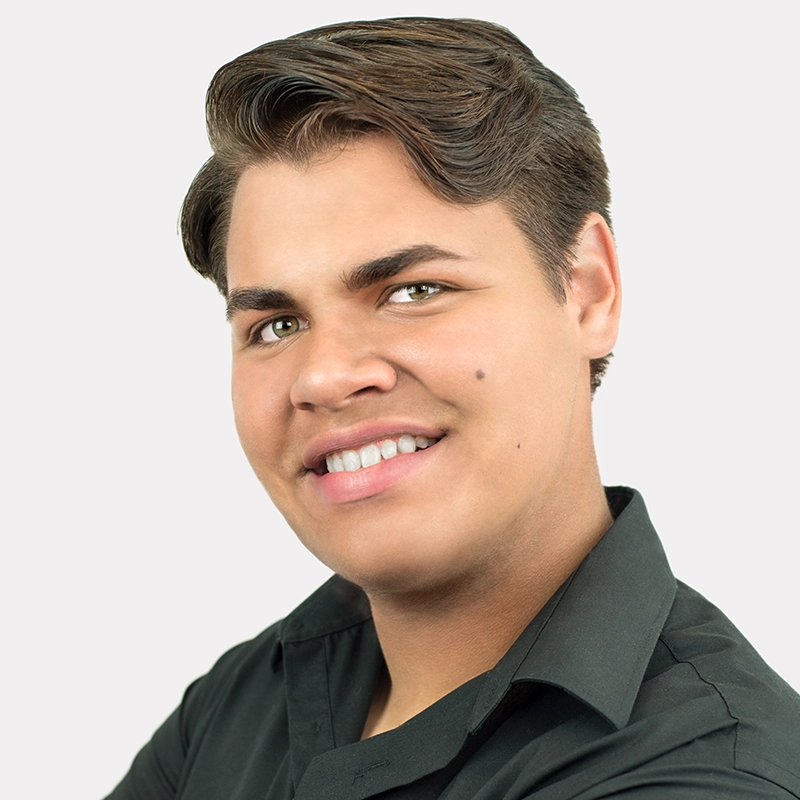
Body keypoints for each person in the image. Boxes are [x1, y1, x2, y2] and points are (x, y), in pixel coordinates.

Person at [105, 16, 800, 799]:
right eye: (277, 325)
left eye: (414, 291)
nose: (324, 376)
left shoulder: (708, 777)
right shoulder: (237, 706)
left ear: (587, 291)